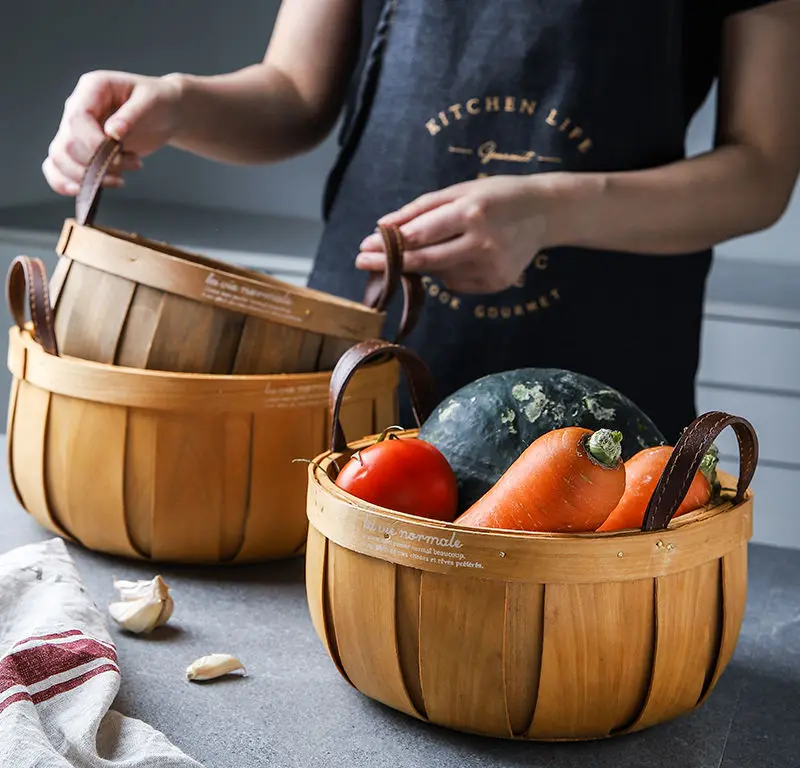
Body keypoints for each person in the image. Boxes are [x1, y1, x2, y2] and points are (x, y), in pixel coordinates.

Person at [43, 0, 800, 443]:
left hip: (609, 378)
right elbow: (295, 94)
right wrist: (176, 101)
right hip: (362, 370)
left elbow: (762, 172)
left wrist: (553, 208)